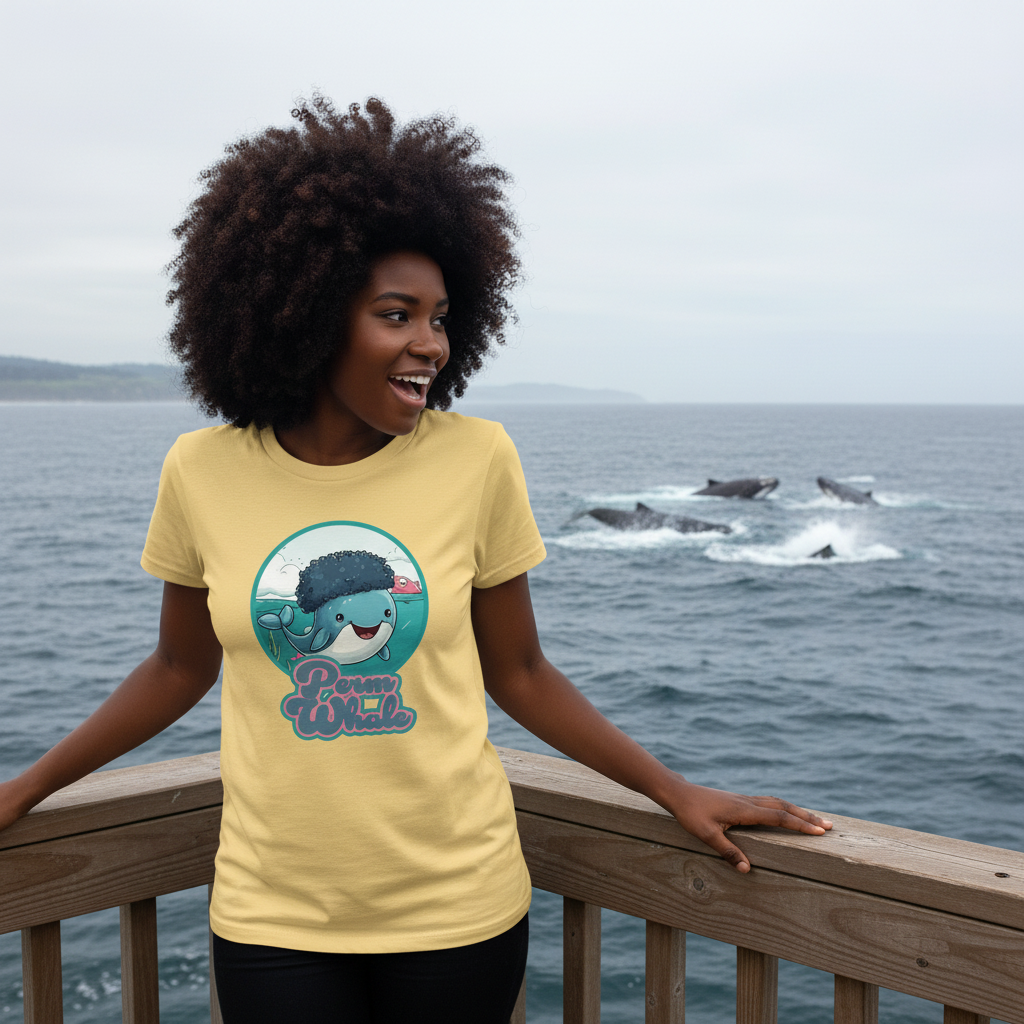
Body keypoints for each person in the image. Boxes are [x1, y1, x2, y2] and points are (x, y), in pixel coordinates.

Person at [0, 96, 831, 1024]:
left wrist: (675, 791)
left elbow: (520, 671)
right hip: (274, 913)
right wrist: (22, 790)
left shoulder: (478, 458)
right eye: (396, 315)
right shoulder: (201, 471)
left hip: (458, 908)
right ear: (307, 315)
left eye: (440, 318)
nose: (429, 345)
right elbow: (175, 668)